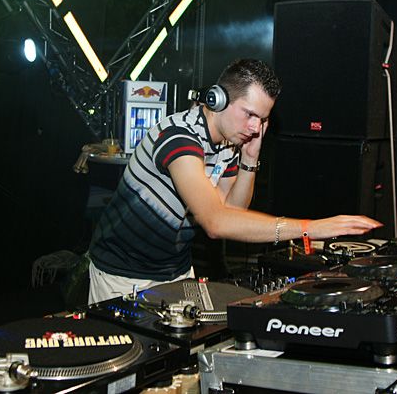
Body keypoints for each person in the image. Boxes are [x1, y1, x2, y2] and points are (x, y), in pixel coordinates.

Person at [87, 59, 381, 304]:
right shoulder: (179, 138)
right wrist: (309, 228)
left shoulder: (227, 144)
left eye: (262, 119)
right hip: (123, 274)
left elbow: (233, 211)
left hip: (175, 272)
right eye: (250, 114)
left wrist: (249, 159)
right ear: (217, 99)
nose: (255, 127)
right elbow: (215, 223)